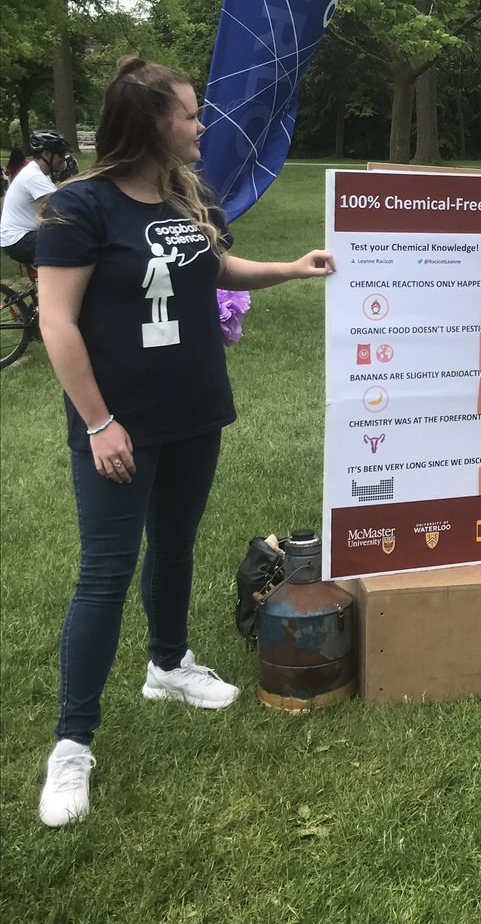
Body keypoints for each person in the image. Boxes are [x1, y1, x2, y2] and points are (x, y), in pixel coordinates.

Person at [33, 57, 335, 828]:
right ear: (151, 124)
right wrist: (99, 423)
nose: (202, 125)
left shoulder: (189, 194)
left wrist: (292, 268)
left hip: (195, 409)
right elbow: (56, 322)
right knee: (105, 572)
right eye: (190, 114)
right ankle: (73, 744)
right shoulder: (80, 207)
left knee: (175, 548)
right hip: (120, 425)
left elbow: (217, 266)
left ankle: (167, 665)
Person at [0, 130, 71, 266]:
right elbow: (63, 207)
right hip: (19, 239)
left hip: (20, 235)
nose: (64, 158)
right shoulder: (34, 176)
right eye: (61, 154)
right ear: (46, 154)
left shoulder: (37, 172)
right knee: (72, 246)